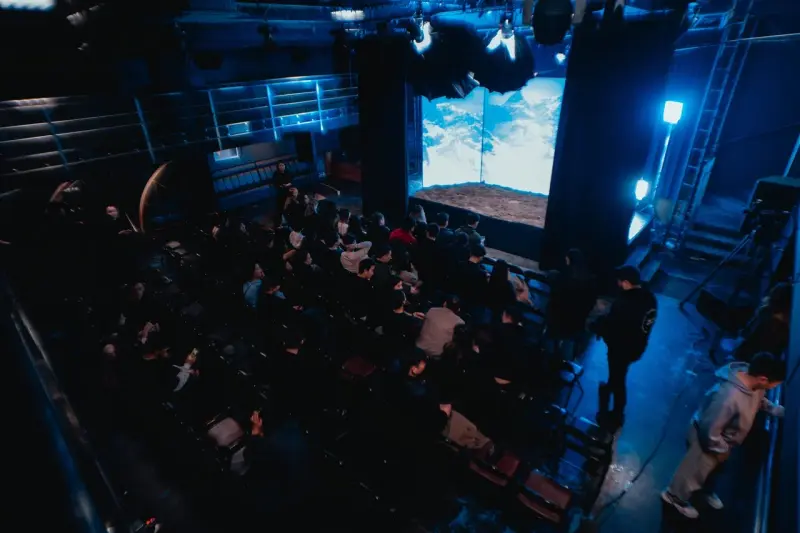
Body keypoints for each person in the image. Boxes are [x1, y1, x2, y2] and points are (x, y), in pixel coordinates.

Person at [661, 353, 786, 518]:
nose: (772, 388)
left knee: (713, 471)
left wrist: (772, 409)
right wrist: (721, 448)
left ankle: (704, 490)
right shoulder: (728, 398)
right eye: (774, 385)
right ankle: (674, 497)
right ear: (763, 379)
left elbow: (756, 397)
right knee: (693, 472)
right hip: (709, 440)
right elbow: (709, 429)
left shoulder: (753, 381)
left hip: (723, 442)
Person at [594, 265, 657, 426]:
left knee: (618, 379)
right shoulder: (650, 298)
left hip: (621, 349)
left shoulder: (624, 303)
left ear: (627, 283)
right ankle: (611, 388)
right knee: (618, 375)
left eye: (620, 282)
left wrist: (597, 325)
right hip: (638, 346)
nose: (618, 285)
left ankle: (616, 414)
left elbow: (611, 328)